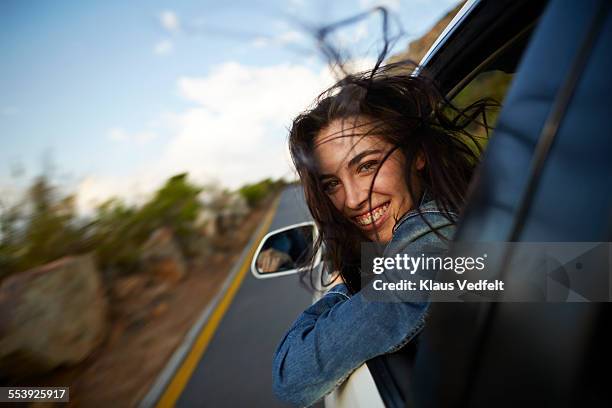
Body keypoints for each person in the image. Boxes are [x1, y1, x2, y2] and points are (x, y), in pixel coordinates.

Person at [272, 63, 491, 406]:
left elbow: (291, 376)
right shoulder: (465, 216)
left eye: (367, 165)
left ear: (416, 154)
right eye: (332, 183)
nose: (353, 199)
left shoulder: (427, 250)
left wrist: (342, 293)